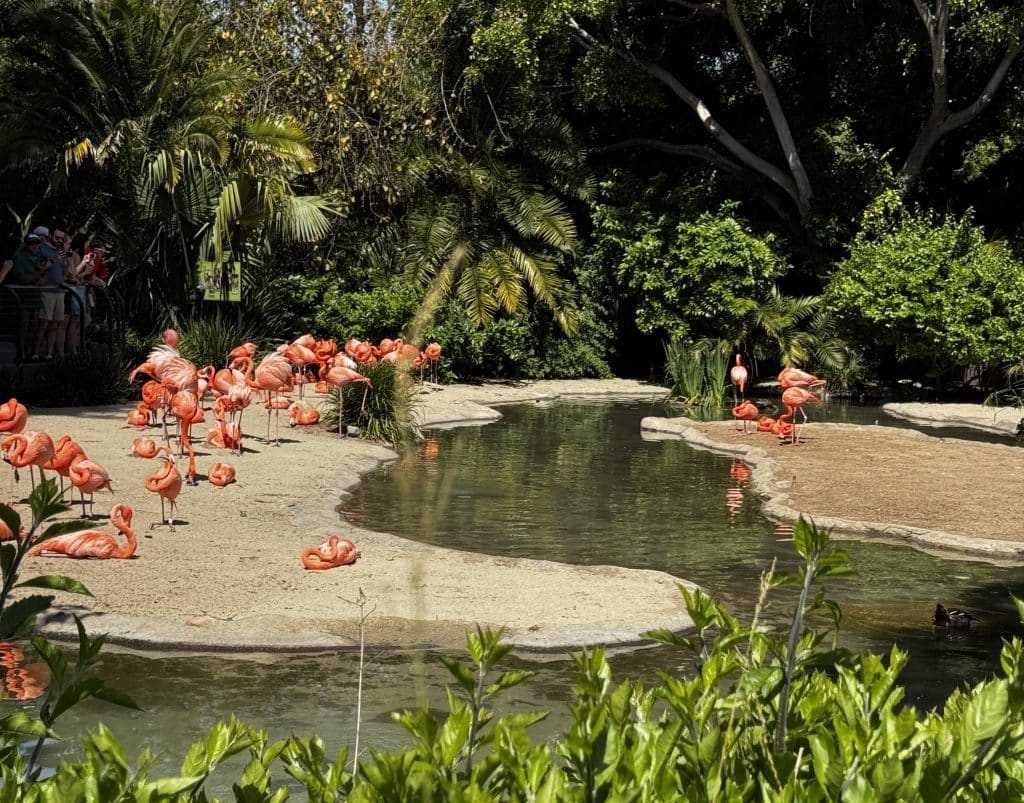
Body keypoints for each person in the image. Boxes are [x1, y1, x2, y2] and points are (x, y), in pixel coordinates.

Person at [6, 234, 48, 358]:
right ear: (26, 244)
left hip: (35, 299)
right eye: (32, 243)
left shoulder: (36, 257)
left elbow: (43, 276)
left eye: (36, 243)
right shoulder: (19, 257)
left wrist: (42, 278)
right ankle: (21, 354)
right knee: (23, 327)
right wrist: (37, 275)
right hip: (23, 299)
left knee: (33, 327)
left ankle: (29, 352)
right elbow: (22, 278)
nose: (34, 246)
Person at [30, 225, 68, 360]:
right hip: (47, 288)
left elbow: (64, 271)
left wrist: (65, 256)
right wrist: (54, 260)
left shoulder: (61, 251)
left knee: (55, 323)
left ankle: (50, 353)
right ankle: (35, 352)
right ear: (50, 235)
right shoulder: (42, 248)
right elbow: (38, 268)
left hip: (59, 290)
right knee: (44, 322)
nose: (59, 240)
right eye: (57, 237)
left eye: (61, 239)